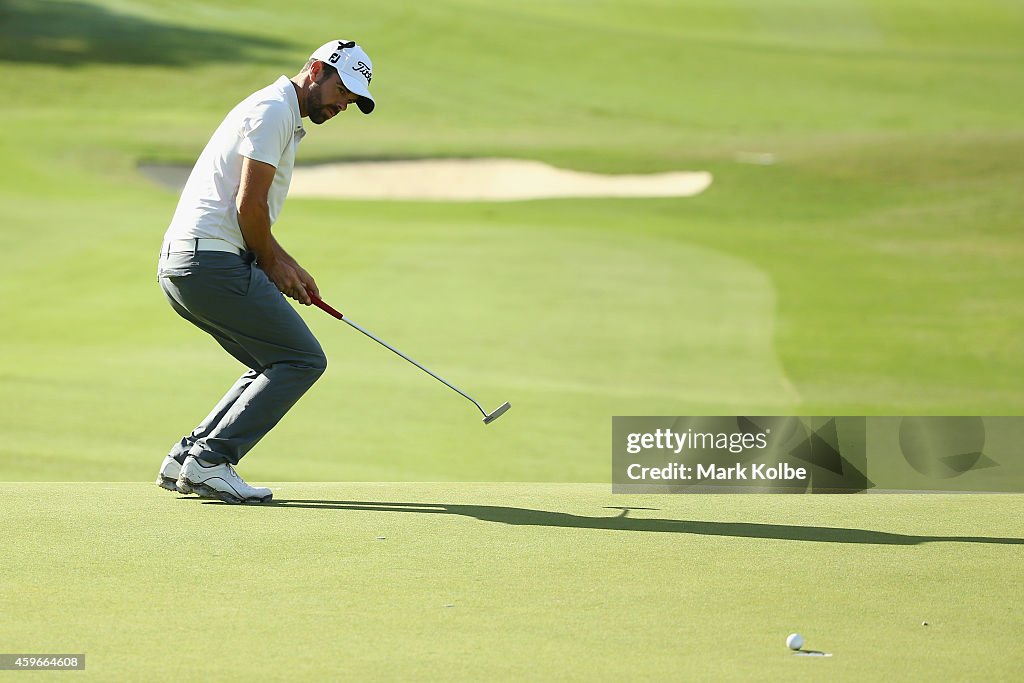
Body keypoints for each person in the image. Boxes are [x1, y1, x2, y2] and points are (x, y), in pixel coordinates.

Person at [154, 40, 376, 503]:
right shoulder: (274, 110)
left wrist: (285, 261)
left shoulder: (278, 111)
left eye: (353, 100)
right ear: (316, 69)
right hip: (210, 262)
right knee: (302, 359)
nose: (343, 104)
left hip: (188, 262)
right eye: (342, 90)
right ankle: (211, 461)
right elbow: (249, 206)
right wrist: (273, 262)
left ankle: (188, 456)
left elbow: (252, 214)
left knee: (272, 361)